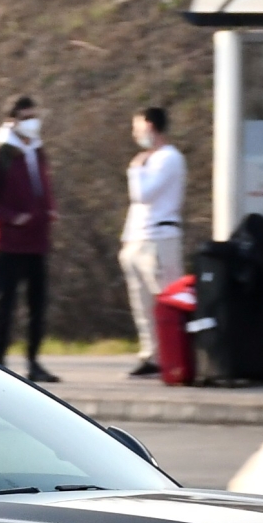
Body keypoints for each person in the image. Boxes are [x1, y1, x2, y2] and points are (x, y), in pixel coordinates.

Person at [0, 95, 58, 382]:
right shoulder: (0, 153)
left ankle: (33, 360)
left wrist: (50, 209)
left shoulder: (37, 151)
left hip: (37, 240)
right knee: (3, 302)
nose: (33, 122)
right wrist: (10, 216)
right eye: (26, 117)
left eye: (34, 115)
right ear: (12, 121)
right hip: (8, 242)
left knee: (37, 304)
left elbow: (42, 187)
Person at [118, 106, 186, 377]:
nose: (136, 134)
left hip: (160, 239)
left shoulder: (168, 158)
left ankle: (178, 354)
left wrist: (135, 169)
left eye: (138, 128)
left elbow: (143, 195)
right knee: (142, 304)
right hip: (137, 238)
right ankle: (153, 355)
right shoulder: (149, 160)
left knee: (167, 299)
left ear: (150, 126)